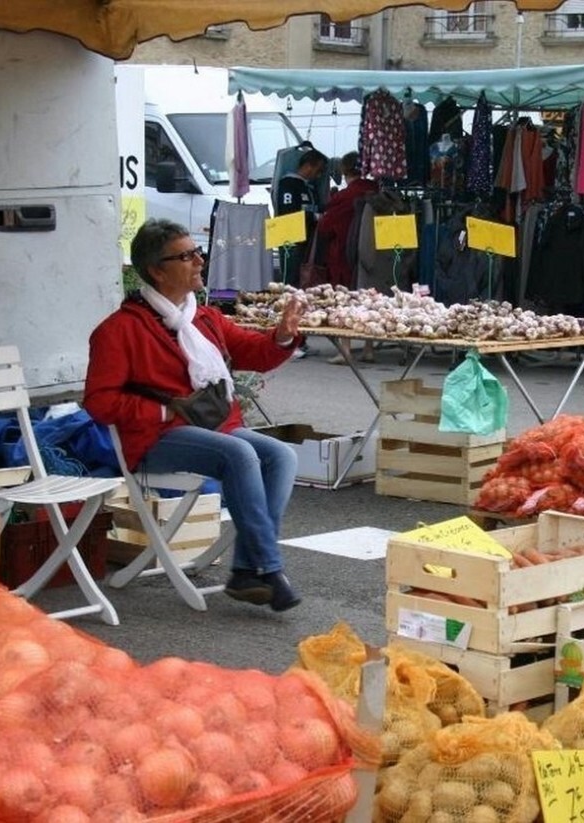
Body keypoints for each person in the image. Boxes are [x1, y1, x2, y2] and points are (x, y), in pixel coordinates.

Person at [84, 219, 307, 612]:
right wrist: (163, 407)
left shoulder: (203, 318)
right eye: (186, 256)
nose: (199, 261)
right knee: (238, 455)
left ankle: (243, 571)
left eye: (197, 252)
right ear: (156, 270)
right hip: (155, 439)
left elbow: (254, 352)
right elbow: (100, 403)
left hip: (213, 427)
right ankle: (268, 570)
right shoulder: (118, 330)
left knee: (282, 456)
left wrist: (283, 335)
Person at [314, 150, 379, 364]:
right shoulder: (377, 191)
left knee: (346, 299)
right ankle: (369, 348)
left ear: (344, 170)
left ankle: (346, 349)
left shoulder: (344, 197)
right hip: (373, 253)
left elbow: (325, 227)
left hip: (344, 254)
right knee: (370, 298)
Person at [274, 147, 328, 290]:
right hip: (291, 239)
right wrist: (316, 217)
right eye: (319, 169)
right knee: (291, 280)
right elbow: (288, 212)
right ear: (309, 165)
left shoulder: (310, 187)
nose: (319, 175)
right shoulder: (288, 184)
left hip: (307, 239)